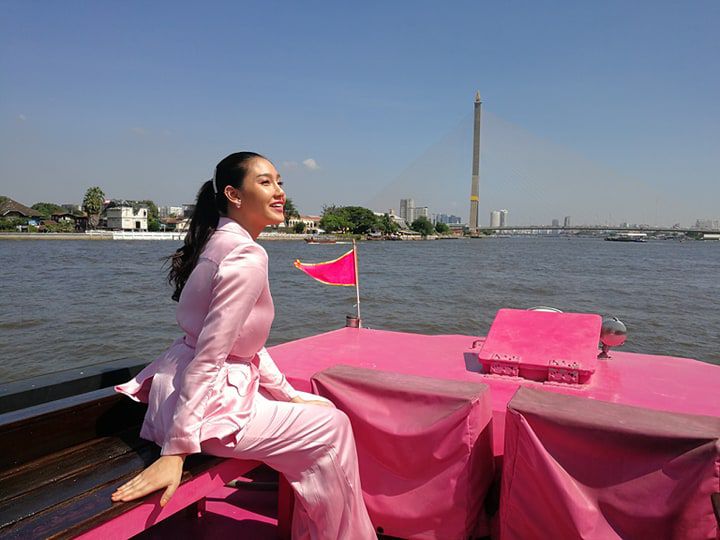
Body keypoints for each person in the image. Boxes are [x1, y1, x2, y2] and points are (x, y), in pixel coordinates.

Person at [111, 152, 375, 539]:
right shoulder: (247, 256)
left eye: (280, 182)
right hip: (204, 411)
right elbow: (211, 355)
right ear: (234, 195)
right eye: (266, 182)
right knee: (332, 427)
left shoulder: (217, 241)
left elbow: (243, 344)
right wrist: (176, 452)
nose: (280, 192)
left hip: (176, 393)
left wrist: (289, 395)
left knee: (318, 410)